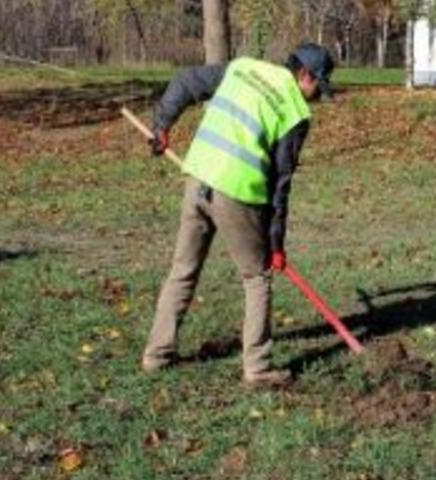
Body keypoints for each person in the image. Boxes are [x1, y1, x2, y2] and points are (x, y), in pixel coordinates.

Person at [140, 43, 335, 389]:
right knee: (257, 277)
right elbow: (280, 185)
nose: (318, 94)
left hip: (198, 177)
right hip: (236, 192)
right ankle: (258, 368)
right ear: (304, 75)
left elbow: (186, 81)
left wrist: (162, 125)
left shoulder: (243, 67)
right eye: (319, 84)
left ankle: (157, 355)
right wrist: (275, 244)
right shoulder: (295, 112)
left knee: (183, 269)